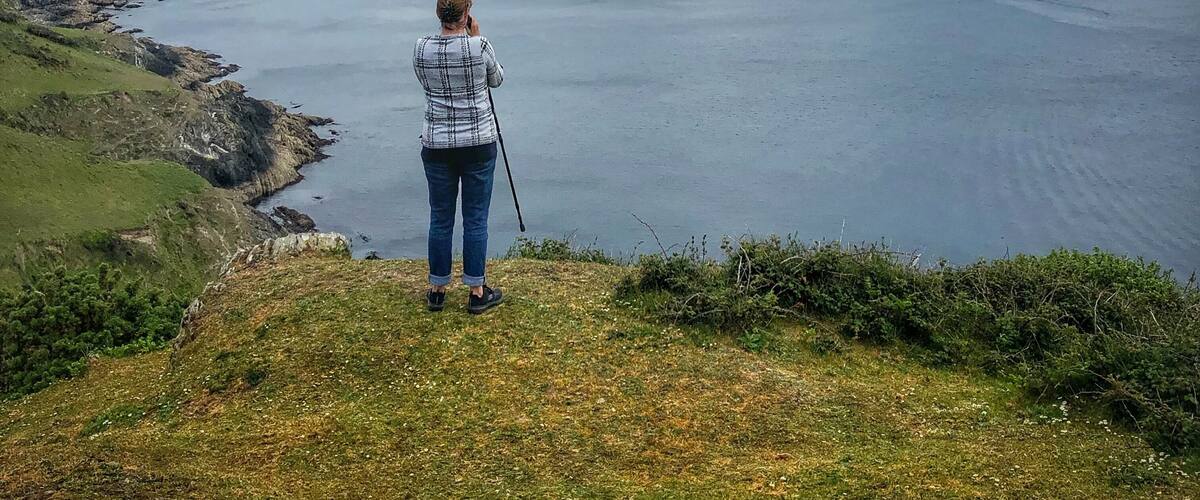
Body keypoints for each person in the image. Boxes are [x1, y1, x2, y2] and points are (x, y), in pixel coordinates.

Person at [413, 0, 505, 314]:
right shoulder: (479, 47)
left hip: (437, 144)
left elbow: (427, 83)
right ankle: (477, 291)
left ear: (439, 14)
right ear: (466, 14)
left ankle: (437, 289)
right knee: (475, 218)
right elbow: (497, 79)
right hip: (478, 142)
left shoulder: (421, 48)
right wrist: (475, 37)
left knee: (440, 217)